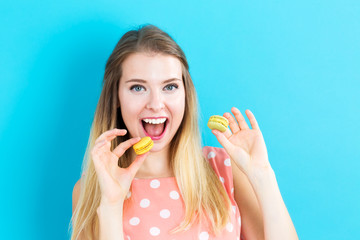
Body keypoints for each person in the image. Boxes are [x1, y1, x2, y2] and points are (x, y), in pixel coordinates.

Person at [70, 24, 298, 240]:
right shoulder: (93, 188)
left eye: (170, 87)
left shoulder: (225, 169)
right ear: (116, 97)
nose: (156, 104)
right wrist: (111, 204)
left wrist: (262, 175)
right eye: (138, 88)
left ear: (185, 95)